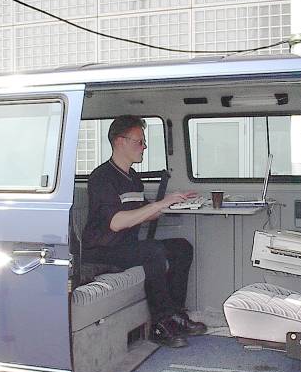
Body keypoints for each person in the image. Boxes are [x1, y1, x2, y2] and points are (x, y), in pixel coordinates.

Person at [82, 115, 207, 348]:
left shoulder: (133, 178)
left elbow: (146, 212)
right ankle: (161, 323)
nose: (144, 147)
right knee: (153, 251)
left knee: (182, 247)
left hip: (125, 246)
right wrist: (160, 204)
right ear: (120, 142)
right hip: (102, 251)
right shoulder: (102, 178)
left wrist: (177, 204)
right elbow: (116, 222)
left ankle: (175, 314)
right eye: (140, 142)